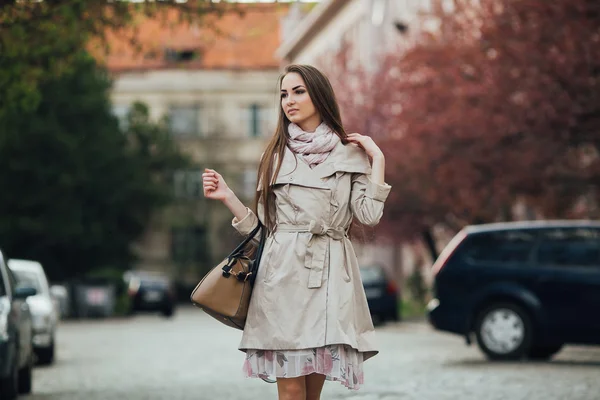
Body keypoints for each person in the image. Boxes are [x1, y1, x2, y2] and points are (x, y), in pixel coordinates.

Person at [202, 64, 391, 400]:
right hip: (283, 277)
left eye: (298, 91)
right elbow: (262, 231)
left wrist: (377, 159)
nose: (289, 100)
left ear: (319, 95)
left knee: (312, 396)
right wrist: (228, 197)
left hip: (330, 278)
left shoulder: (351, 155)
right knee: (290, 394)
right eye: (284, 94)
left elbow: (369, 214)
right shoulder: (273, 156)